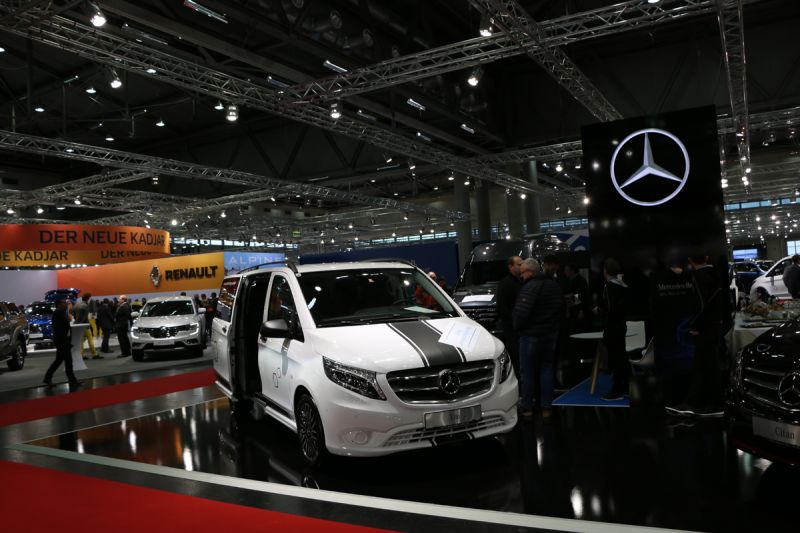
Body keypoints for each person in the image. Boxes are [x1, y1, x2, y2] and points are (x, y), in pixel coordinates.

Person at [667, 254, 728, 416]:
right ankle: (696, 403)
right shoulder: (715, 275)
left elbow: (701, 305)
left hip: (703, 329)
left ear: (690, 260)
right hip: (714, 327)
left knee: (707, 367)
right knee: (706, 367)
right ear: (707, 258)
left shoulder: (698, 278)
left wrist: (695, 325)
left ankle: (712, 405)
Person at [513, 258, 563, 420]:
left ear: (530, 272)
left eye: (523, 273)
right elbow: (562, 309)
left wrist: (517, 327)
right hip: (550, 334)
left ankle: (527, 407)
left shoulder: (529, 287)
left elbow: (521, 313)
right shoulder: (554, 286)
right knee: (547, 370)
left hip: (531, 335)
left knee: (527, 373)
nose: (521, 276)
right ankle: (546, 407)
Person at [596, 258, 629, 401]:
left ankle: (617, 390)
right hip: (621, 325)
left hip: (612, 327)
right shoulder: (623, 284)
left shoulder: (609, 286)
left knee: (615, 359)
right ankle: (625, 387)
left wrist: (599, 310)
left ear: (605, 271)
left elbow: (609, 309)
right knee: (621, 357)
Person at [43, 299, 81, 390]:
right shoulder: (58, 313)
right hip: (62, 341)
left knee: (59, 361)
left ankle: (48, 378)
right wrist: (66, 342)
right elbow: (61, 328)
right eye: (64, 303)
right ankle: (72, 381)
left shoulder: (60, 312)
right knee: (68, 361)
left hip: (62, 341)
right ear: (59, 304)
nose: (66, 304)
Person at [496, 255, 523, 378]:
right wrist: (513, 322)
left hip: (521, 327)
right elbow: (502, 307)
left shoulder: (520, 281)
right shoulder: (506, 283)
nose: (521, 266)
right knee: (516, 357)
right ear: (510, 267)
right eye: (518, 264)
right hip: (512, 328)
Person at [564, 264, 592, 332]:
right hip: (577, 311)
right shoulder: (576, 279)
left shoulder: (578, 280)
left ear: (572, 271)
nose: (565, 272)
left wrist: (581, 310)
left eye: (566, 270)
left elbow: (582, 296)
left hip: (578, 312)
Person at [73, 294, 100, 360]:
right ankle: (94, 354)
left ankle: (81, 355)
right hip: (85, 325)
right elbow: (85, 317)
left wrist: (77, 323)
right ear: (87, 299)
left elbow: (74, 316)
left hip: (77, 326)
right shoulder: (85, 306)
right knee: (90, 340)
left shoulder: (76, 305)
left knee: (81, 341)